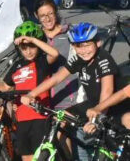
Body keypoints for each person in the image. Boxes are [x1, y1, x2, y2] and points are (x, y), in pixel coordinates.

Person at [21, 22, 119, 161]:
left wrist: (96, 120)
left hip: (112, 105)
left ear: (98, 43)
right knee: (59, 118)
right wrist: (32, 94)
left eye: (87, 45)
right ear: (73, 46)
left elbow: (107, 90)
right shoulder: (79, 59)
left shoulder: (104, 59)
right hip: (91, 103)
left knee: (110, 152)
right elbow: (56, 78)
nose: (83, 50)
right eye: (78, 46)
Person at [0, 21, 60, 161]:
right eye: (24, 47)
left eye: (31, 46)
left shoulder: (42, 62)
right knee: (26, 156)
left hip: (39, 118)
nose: (28, 51)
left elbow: (54, 53)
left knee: (40, 157)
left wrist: (33, 39)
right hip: (21, 118)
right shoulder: (17, 65)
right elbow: (6, 86)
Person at [34, 0, 78, 110]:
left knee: (62, 125)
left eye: (50, 14)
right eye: (42, 16)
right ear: (36, 16)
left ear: (56, 12)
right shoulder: (36, 36)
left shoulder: (70, 32)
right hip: (41, 96)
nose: (47, 19)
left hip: (67, 95)